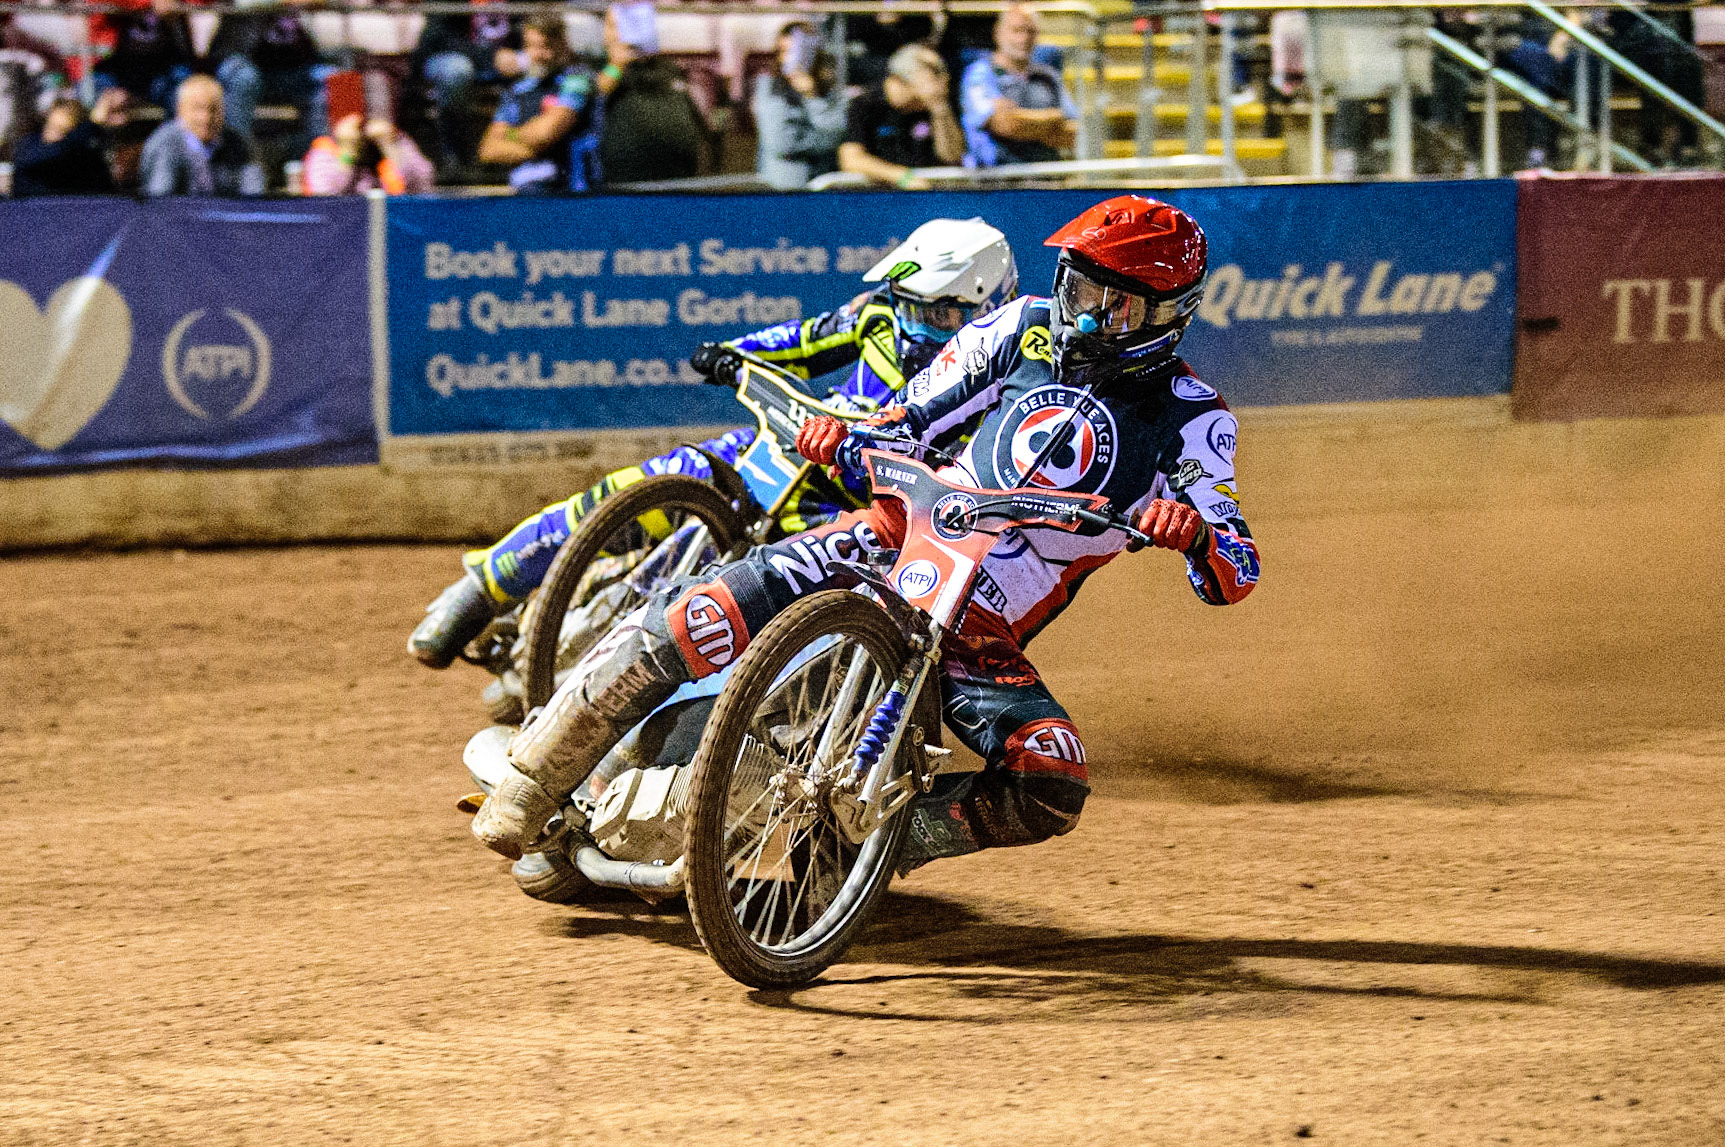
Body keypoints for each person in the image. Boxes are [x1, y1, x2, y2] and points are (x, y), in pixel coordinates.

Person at [468, 195, 1262, 876]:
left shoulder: (1193, 418)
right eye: (1077, 286)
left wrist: (1191, 532)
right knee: (702, 611)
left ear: (1166, 316)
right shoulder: (1017, 329)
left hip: (978, 626)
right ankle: (535, 777)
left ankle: (878, 850)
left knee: (1051, 777)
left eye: (1112, 303)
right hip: (896, 535)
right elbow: (911, 416)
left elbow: (1237, 564)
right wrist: (848, 438)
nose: (1085, 312)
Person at [409, 218, 1020, 678]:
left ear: (985, 305)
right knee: (635, 486)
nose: (916, 323)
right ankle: (481, 589)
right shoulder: (874, 316)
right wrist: (734, 352)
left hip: (847, 507)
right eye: (909, 304)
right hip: (775, 449)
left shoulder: (996, 377)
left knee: (778, 609)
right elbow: (800, 341)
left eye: (938, 311)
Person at [477, 14, 598, 194]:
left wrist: (509, 134)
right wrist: (537, 147)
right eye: (530, 46)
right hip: (524, 195)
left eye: (546, 46)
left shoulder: (577, 80)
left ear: (562, 44)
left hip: (571, 193)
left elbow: (545, 133)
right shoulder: (517, 90)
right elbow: (489, 149)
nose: (538, 55)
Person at [594, 1, 708, 185]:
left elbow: (696, 123)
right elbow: (597, 92)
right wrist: (618, 65)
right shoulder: (598, 68)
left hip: (677, 183)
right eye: (616, 27)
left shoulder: (668, 69)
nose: (625, 34)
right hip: (625, 186)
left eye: (633, 26)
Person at [959, 4, 1077, 167]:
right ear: (998, 33)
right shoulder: (980, 74)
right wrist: (1054, 119)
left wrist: (1020, 120)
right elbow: (1006, 124)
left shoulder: (1049, 76)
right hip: (997, 182)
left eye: (1031, 31)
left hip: (1047, 180)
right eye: (1017, 30)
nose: (1024, 38)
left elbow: (1074, 134)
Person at [839, 43, 965, 188]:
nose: (944, 79)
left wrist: (939, 109)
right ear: (907, 76)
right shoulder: (864, 105)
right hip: (882, 199)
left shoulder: (940, 104)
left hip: (929, 198)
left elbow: (952, 156)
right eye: (935, 72)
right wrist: (902, 177)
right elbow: (851, 159)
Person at [751, 21, 847, 190]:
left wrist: (812, 96)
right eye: (783, 51)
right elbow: (781, 143)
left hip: (827, 189)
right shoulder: (770, 87)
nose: (788, 59)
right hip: (783, 190)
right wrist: (826, 142)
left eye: (797, 52)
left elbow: (837, 131)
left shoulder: (830, 91)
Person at [137, 73, 264, 197]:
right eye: (197, 108)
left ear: (223, 111)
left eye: (213, 109)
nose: (206, 118)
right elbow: (160, 202)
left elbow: (254, 197)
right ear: (180, 110)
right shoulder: (165, 144)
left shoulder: (239, 144)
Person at [302, 112, 434, 195]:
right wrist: (348, 149)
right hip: (344, 228)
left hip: (396, 223)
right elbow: (323, 197)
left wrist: (388, 144)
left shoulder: (395, 140)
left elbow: (421, 187)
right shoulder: (326, 148)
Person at [11, 96, 115, 196]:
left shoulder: (81, 155)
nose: (54, 135)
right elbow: (45, 156)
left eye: (63, 132)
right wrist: (92, 123)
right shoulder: (29, 147)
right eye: (52, 127)